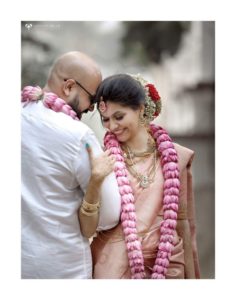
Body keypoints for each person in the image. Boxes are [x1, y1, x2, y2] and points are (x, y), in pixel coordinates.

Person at [21, 51, 121, 279]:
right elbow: (110, 214)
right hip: (63, 271)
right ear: (68, 87)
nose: (90, 109)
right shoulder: (78, 136)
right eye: (92, 100)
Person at [91, 73, 201, 279]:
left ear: (140, 109)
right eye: (105, 120)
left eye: (119, 116)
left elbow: (183, 222)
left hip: (168, 264)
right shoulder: (104, 160)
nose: (112, 127)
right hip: (115, 266)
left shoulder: (176, 157)